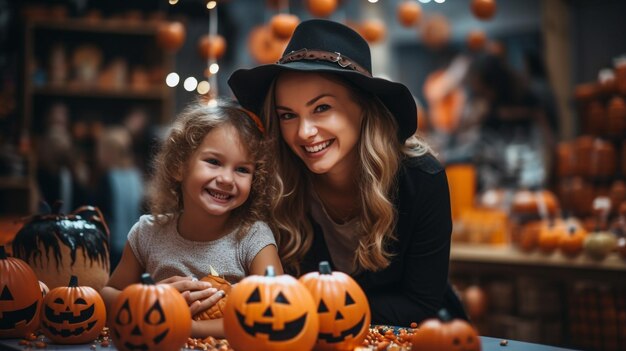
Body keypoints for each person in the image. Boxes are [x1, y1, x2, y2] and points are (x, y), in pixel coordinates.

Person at [228, 19, 466, 326]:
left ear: (364, 107)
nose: (304, 132)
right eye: (288, 115)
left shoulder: (420, 179)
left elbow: (420, 304)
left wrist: (310, 303)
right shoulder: (274, 179)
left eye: (322, 108)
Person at [100, 99, 283, 338]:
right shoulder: (147, 233)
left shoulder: (253, 238)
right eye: (214, 162)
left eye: (242, 169)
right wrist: (148, 299)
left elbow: (278, 310)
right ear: (179, 166)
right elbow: (106, 297)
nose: (227, 179)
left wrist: (189, 328)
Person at [92, 126, 145, 270]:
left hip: (113, 247)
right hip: (135, 245)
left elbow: (98, 215)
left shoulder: (108, 178)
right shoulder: (135, 176)